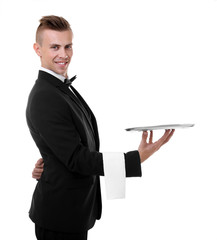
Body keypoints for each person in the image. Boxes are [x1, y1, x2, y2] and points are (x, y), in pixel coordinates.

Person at [26, 15, 175, 240]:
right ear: (38, 49)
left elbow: (66, 146)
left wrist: (50, 161)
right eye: (54, 47)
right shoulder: (46, 96)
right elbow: (77, 158)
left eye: (68, 46)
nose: (63, 54)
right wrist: (135, 159)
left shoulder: (59, 88)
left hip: (72, 212)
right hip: (60, 216)